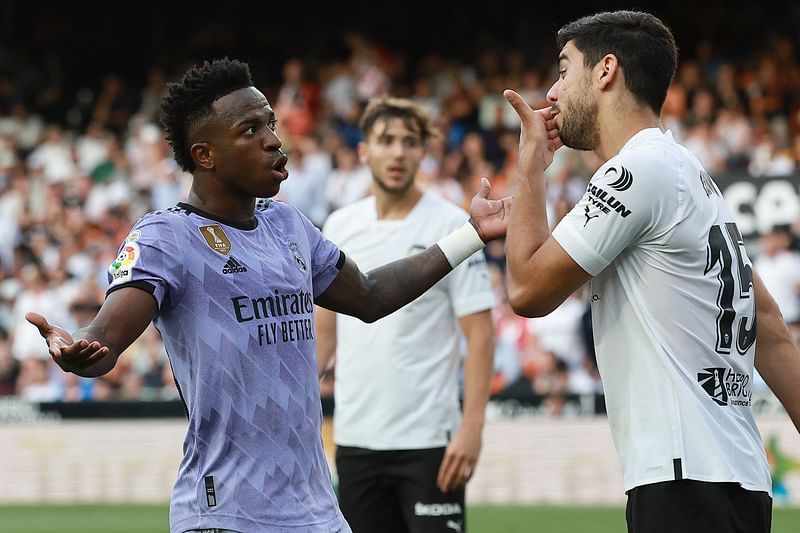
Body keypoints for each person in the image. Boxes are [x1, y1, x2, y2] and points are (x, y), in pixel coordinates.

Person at [24, 58, 511, 533]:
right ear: (205, 154)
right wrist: (81, 349)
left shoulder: (290, 225)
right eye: (249, 130)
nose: (274, 141)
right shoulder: (166, 237)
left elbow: (370, 295)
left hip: (316, 509)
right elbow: (106, 336)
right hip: (225, 510)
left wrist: (470, 233)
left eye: (271, 124)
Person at [502, 10, 800, 533]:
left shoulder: (636, 171)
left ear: (606, 71)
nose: (551, 91)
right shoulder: (690, 174)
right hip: (739, 477)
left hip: (683, 482)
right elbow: (769, 326)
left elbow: (527, 290)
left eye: (564, 69)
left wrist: (530, 163)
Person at [316, 97, 495, 533]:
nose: (397, 152)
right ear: (364, 151)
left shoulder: (454, 226)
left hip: (430, 441)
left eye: (409, 142)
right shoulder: (339, 226)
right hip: (356, 442)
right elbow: (323, 337)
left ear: (423, 152)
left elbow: (481, 335)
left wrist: (471, 429)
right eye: (386, 140)